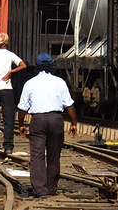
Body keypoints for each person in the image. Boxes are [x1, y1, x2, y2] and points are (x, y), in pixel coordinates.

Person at [16, 53, 78, 198]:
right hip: (56, 120)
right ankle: (51, 187)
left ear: (36, 67)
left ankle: (40, 190)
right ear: (51, 66)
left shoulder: (30, 83)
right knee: (54, 155)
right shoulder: (60, 82)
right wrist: (74, 123)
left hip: (38, 120)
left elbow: (22, 108)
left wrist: (21, 125)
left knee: (37, 156)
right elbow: (69, 105)